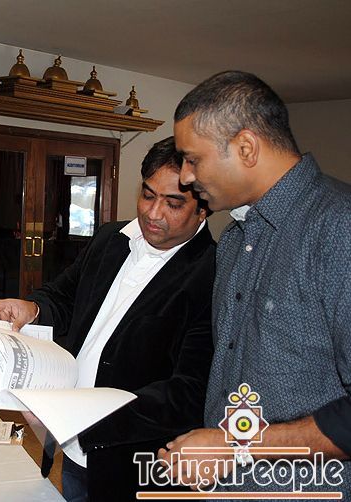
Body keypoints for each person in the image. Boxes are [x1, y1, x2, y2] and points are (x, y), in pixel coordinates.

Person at [0, 136, 216, 500]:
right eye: (148, 195)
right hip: (72, 449)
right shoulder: (112, 237)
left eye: (173, 203)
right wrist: (33, 307)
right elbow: (65, 294)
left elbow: (188, 392)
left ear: (203, 209)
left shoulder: (213, 274)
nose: (153, 213)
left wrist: (85, 416)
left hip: (133, 462)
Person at [160, 70, 351, 494]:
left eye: (192, 159)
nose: (186, 176)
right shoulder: (233, 240)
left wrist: (234, 446)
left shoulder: (339, 227)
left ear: (246, 148)